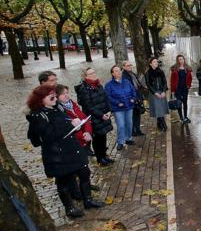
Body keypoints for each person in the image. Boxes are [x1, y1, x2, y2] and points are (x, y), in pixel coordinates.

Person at [25, 85, 103, 219]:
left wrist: (79, 129)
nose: (55, 98)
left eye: (55, 96)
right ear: (41, 99)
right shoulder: (37, 116)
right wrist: (70, 125)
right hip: (57, 155)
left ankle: (88, 200)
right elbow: (47, 136)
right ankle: (70, 208)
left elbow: (66, 124)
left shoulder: (58, 108)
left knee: (85, 172)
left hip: (72, 148)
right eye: (52, 97)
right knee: (63, 181)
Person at [75, 67, 114, 166]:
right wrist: (101, 115)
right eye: (90, 73)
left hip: (104, 115)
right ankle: (100, 159)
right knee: (97, 139)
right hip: (94, 118)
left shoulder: (98, 85)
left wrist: (109, 110)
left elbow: (106, 99)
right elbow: (88, 106)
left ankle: (104, 156)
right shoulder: (84, 89)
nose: (93, 74)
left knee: (103, 137)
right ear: (85, 76)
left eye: (94, 72)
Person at [105, 65, 136, 150]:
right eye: (116, 71)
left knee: (129, 123)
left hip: (129, 106)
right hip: (118, 108)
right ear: (112, 73)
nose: (119, 72)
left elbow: (133, 91)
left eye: (119, 70)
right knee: (121, 125)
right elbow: (108, 96)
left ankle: (128, 138)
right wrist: (117, 103)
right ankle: (120, 141)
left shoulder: (126, 81)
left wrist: (133, 98)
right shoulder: (109, 85)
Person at [121, 61, 147, 136]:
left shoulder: (132, 74)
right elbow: (126, 89)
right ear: (123, 67)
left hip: (137, 96)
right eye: (127, 65)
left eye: (130, 65)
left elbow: (138, 85)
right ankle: (132, 131)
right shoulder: (124, 76)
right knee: (131, 116)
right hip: (130, 98)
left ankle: (138, 130)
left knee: (137, 114)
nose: (129, 66)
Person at [145, 57, 169, 131]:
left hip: (161, 92)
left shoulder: (161, 71)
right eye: (154, 62)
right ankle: (162, 123)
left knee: (162, 108)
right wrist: (155, 93)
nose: (156, 63)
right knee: (158, 108)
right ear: (150, 64)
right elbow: (148, 84)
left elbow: (165, 82)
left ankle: (160, 123)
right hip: (154, 93)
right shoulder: (148, 73)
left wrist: (164, 91)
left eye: (156, 62)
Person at [170, 54, 193, 123]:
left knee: (185, 102)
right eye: (179, 59)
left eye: (182, 59)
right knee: (179, 103)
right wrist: (172, 90)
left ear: (184, 60)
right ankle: (181, 118)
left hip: (185, 88)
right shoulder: (174, 69)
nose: (181, 61)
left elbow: (190, 78)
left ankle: (185, 117)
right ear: (177, 60)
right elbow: (172, 80)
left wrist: (189, 85)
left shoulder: (187, 68)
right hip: (177, 89)